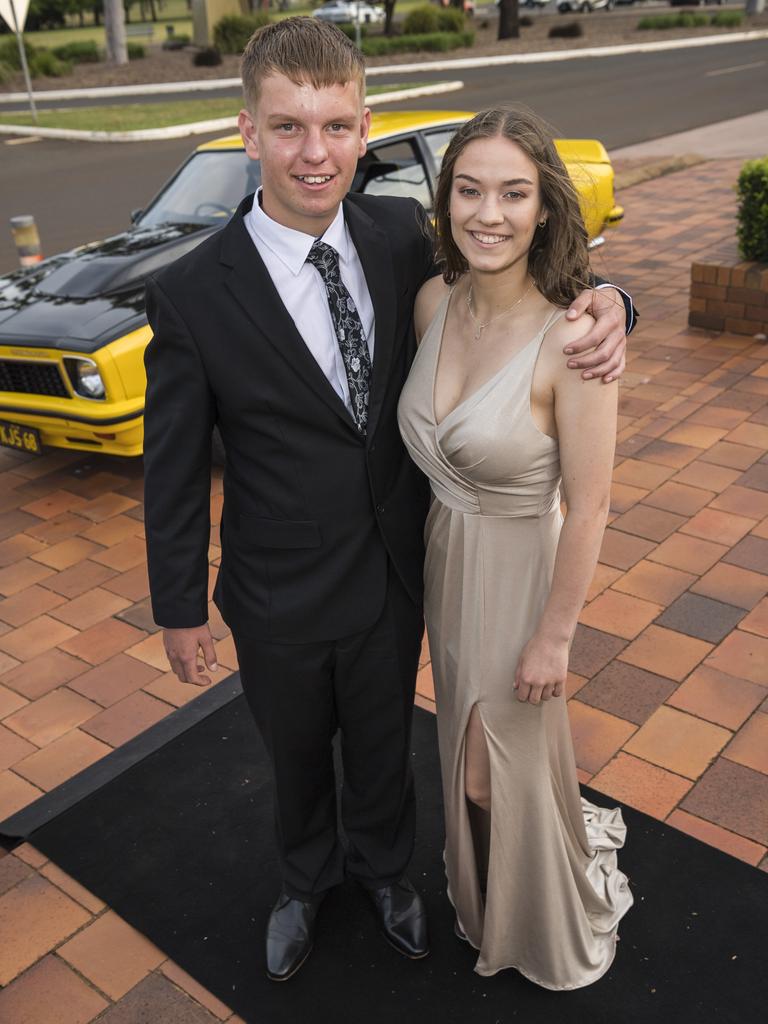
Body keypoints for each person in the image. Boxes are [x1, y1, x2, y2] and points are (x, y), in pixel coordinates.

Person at [142, 19, 632, 984]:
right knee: (294, 756)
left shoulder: (401, 237)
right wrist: (176, 604)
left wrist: (615, 298)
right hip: (276, 587)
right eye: (288, 128)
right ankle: (303, 881)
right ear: (249, 132)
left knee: (383, 745)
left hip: (403, 569)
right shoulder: (194, 292)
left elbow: (517, 284)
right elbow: (173, 464)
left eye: (334, 126)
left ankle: (383, 873)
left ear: (365, 127)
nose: (313, 153)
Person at [398, 108, 634, 990]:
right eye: (469, 189)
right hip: (444, 561)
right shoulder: (432, 302)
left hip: (521, 575)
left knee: (494, 775)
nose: (487, 213)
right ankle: (489, 895)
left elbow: (595, 502)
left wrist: (556, 637)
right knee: (466, 762)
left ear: (544, 208)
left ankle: (538, 917)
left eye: (513, 192)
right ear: (445, 198)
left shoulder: (575, 337)